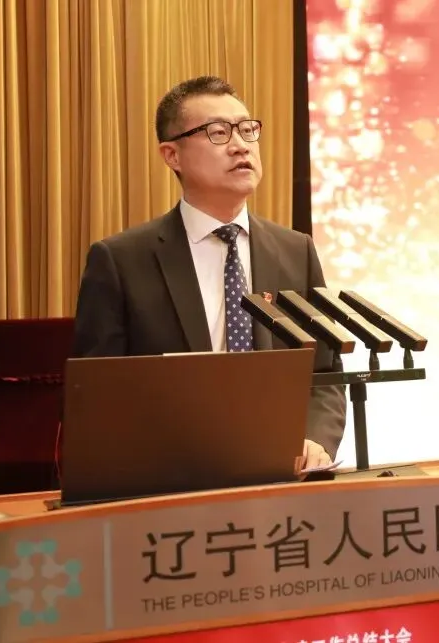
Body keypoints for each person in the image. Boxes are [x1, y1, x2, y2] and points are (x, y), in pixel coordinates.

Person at [72, 75, 347, 468]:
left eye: (247, 130)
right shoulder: (121, 261)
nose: (240, 145)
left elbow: (325, 372)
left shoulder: (295, 251)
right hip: (171, 478)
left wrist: (315, 440)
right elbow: (98, 395)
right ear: (172, 155)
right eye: (218, 132)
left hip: (284, 473)